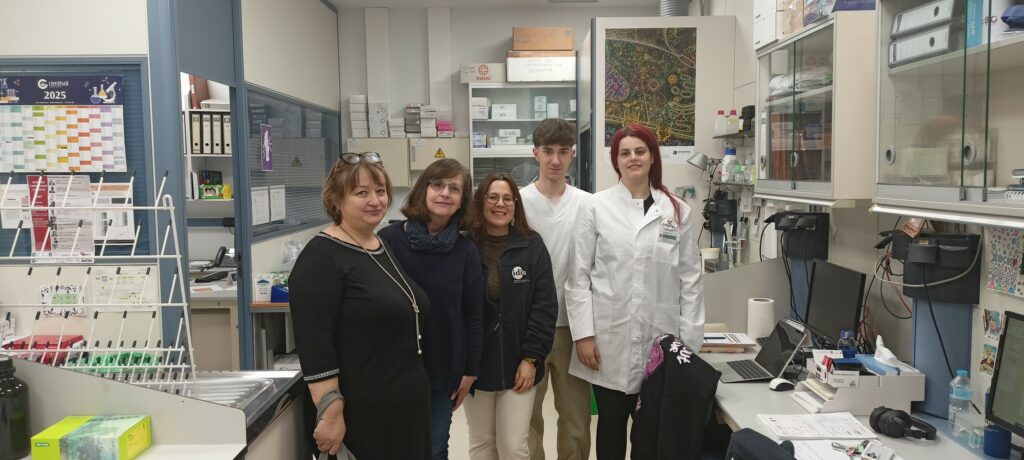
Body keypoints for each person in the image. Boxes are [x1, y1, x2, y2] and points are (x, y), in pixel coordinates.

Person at [565, 124, 705, 460]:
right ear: (616, 160)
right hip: (608, 342)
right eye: (625, 153)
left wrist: (688, 346)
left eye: (640, 151)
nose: (633, 158)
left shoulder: (676, 211)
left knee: (649, 437)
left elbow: (691, 281)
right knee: (610, 431)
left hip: (660, 343)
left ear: (652, 156)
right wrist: (583, 335)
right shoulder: (595, 207)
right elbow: (578, 276)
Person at [290, 151, 431, 459]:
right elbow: (315, 344)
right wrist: (330, 411)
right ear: (336, 200)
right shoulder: (321, 258)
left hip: (403, 410)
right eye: (361, 193)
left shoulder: (377, 244)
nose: (375, 201)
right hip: (363, 416)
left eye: (380, 191)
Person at [378, 159, 484, 460]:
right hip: (394, 367)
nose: (445, 193)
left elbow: (474, 315)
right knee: (395, 448)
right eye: (438, 185)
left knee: (435, 448)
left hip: (443, 368)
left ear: (462, 200)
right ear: (423, 190)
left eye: (454, 189)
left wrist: (470, 371)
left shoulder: (465, 250)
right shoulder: (388, 240)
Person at [464, 173, 558, 460]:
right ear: (480, 202)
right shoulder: (465, 246)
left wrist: (531, 359)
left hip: (520, 364)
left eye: (508, 198)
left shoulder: (532, 245)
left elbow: (544, 307)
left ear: (516, 205)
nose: (500, 204)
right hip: (476, 365)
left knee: (513, 445)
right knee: (482, 442)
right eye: (492, 197)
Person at [520, 119, 593, 460]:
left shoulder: (588, 204)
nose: (555, 160)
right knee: (526, 421)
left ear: (572, 154)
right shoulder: (518, 203)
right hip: (529, 328)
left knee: (576, 421)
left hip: (573, 329)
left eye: (563, 152)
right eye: (548, 151)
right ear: (535, 153)